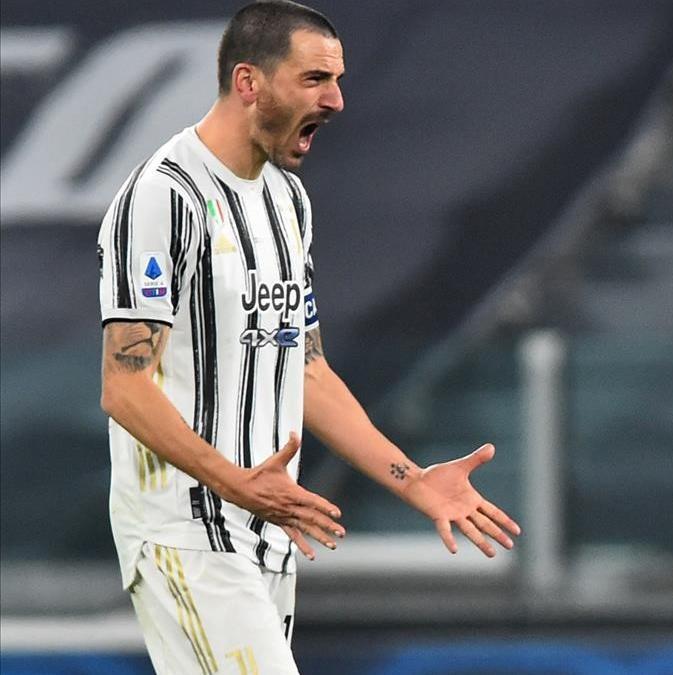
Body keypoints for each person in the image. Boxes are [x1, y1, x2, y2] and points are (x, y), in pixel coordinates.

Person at [96, 2, 520, 672]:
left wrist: (412, 481)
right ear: (249, 83)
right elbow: (124, 385)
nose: (338, 99)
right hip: (187, 531)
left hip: (266, 532)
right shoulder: (163, 196)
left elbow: (307, 368)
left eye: (339, 78)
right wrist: (235, 483)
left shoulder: (287, 200)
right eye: (316, 79)